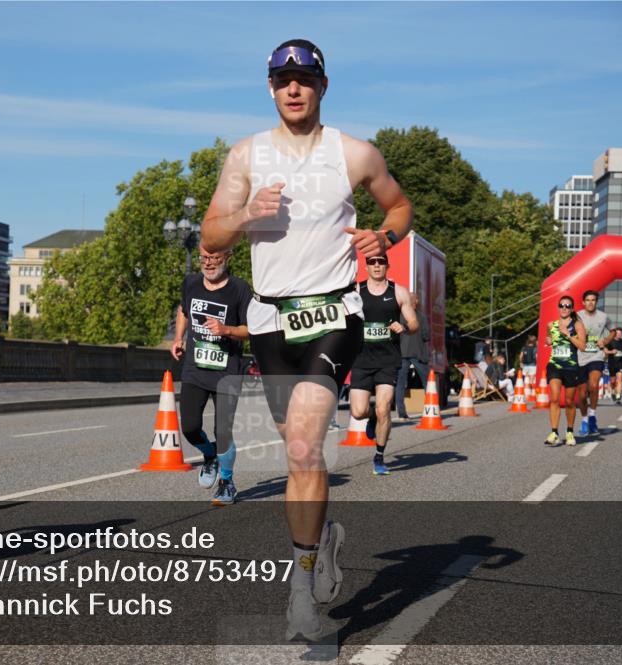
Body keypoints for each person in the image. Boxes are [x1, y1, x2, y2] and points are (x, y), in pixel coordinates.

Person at [201, 38, 413, 641]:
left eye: (305, 78)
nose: (294, 87)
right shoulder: (246, 156)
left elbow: (398, 206)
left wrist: (385, 239)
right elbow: (212, 233)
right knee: (299, 453)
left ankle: (301, 593)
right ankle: (322, 540)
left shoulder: (353, 153)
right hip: (269, 321)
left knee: (301, 448)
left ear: (323, 86)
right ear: (270, 87)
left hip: (331, 314)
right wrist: (245, 216)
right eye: (283, 78)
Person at [170, 247, 250, 505]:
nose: (208, 263)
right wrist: (179, 338)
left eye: (214, 258)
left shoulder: (240, 289)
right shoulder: (191, 283)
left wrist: (226, 329)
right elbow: (184, 310)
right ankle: (209, 454)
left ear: (228, 257)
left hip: (227, 370)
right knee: (190, 428)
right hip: (195, 368)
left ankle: (227, 482)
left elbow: (252, 329)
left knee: (223, 431)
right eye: (204, 258)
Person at [349, 254, 418, 475]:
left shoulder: (398, 291)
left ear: (387, 265)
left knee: (383, 409)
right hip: (361, 358)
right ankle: (371, 419)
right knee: (359, 411)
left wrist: (405, 327)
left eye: (381, 262)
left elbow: (414, 323)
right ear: (366, 266)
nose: (377, 265)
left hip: (388, 360)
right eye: (372, 262)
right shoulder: (356, 292)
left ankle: (379, 457)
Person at [543, 295, 586, 446]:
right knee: (554, 398)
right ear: (558, 307)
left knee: (569, 401)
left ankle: (569, 432)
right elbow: (549, 339)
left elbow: (582, 346)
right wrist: (548, 341)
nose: (564, 308)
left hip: (571, 367)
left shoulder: (578, 325)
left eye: (568, 306)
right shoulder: (551, 325)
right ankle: (554, 432)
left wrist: (567, 334)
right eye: (561, 305)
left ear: (572, 309)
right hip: (555, 365)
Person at [576, 289, 615, 436]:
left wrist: (605, 341)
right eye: (588, 300)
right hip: (580, 357)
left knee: (593, 385)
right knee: (581, 394)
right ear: (583, 302)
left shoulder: (603, 317)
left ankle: (591, 416)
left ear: (596, 302)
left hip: (596, 356)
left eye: (593, 300)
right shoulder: (577, 316)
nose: (590, 303)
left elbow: (613, 331)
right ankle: (584, 418)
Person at [395, 292, 429, 421]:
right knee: (427, 383)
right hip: (418, 354)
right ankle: (430, 410)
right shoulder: (421, 317)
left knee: (400, 384)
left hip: (402, 354)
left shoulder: (398, 316)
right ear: (416, 302)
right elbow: (426, 336)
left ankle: (402, 413)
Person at [605, 327, 622, 405]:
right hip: (612, 363)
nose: (619, 335)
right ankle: (613, 392)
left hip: (620, 363)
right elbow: (605, 351)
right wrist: (611, 351)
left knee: (619, 379)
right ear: (614, 334)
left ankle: (618, 397)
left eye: (620, 333)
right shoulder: (610, 342)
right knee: (613, 381)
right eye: (618, 333)